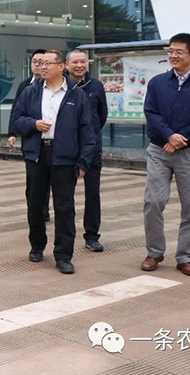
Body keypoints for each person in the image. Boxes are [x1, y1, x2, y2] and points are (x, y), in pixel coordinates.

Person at [11, 50, 95, 275]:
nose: (43, 67)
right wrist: (33, 124)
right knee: (35, 203)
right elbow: (16, 120)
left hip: (65, 156)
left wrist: (84, 161)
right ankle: (37, 245)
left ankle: (64, 255)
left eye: (48, 63)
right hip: (37, 154)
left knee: (64, 207)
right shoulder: (30, 91)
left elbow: (87, 130)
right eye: (40, 63)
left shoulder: (76, 94)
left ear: (61, 67)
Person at [141, 33, 190, 277]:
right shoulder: (157, 83)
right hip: (159, 150)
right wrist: (169, 136)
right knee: (153, 201)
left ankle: (186, 257)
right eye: (171, 51)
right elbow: (151, 112)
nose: (173, 55)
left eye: (179, 52)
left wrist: (179, 139)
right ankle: (154, 252)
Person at [66, 49, 107, 252]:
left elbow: (102, 115)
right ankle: (66, 236)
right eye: (75, 62)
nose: (79, 65)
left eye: (83, 61)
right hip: (67, 149)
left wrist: (90, 138)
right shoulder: (62, 86)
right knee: (65, 195)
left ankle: (92, 235)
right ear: (66, 65)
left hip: (92, 149)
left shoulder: (96, 86)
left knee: (92, 194)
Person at [9, 49, 50, 222]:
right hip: (31, 140)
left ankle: (44, 210)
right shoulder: (25, 86)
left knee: (49, 180)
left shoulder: (59, 86)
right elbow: (16, 112)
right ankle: (35, 211)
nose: (38, 65)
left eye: (42, 62)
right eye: (35, 62)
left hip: (52, 142)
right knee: (33, 180)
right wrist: (12, 133)